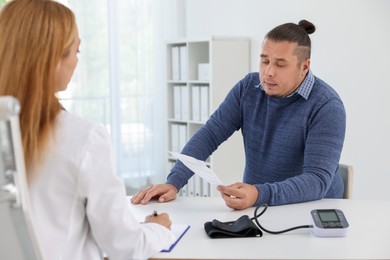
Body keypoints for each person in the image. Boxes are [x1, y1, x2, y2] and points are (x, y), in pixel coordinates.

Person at [0, 1, 174, 259]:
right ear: (52, 60)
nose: (76, 61)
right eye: (75, 51)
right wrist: (158, 229)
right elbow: (127, 247)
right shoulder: (82, 138)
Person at [131, 20, 346, 210]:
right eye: (264, 61)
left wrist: (260, 193)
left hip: (311, 212)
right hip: (256, 208)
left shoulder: (327, 106)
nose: (269, 72)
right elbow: (210, 134)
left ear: (304, 67)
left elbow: (316, 180)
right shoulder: (248, 88)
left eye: (280, 64)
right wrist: (174, 182)